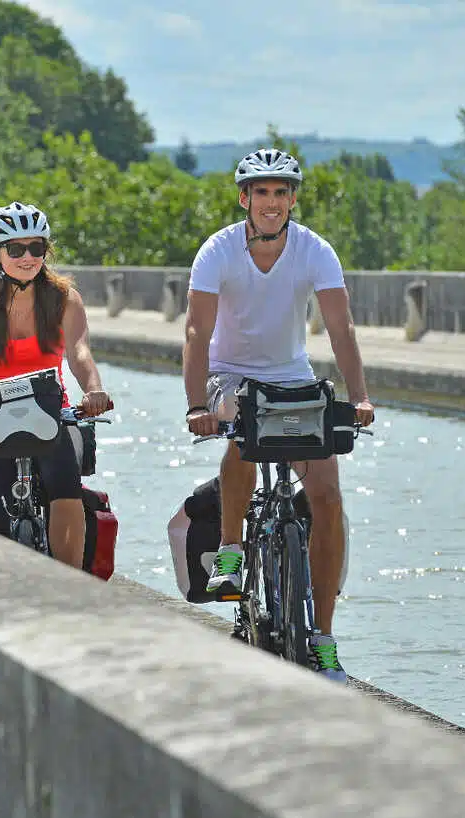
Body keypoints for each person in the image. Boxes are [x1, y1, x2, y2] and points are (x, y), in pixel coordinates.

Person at [182, 148, 376, 683]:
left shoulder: (315, 250)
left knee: (328, 495)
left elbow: (341, 330)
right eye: (261, 192)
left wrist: (359, 397)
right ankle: (228, 552)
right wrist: (197, 405)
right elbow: (197, 332)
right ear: (245, 198)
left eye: (281, 192)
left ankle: (324, 640)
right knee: (240, 426)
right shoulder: (218, 251)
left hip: (292, 376)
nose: (272, 203)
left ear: (293, 199)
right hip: (231, 373)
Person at [0, 202, 114, 568]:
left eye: (37, 248)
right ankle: (2, 581)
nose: (28, 257)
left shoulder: (64, 299)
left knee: (67, 488)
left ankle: (70, 583)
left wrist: (94, 390)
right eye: (16, 249)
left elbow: (79, 353)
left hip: (51, 410)